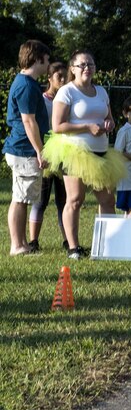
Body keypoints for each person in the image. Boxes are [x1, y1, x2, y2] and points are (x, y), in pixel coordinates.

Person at [43, 49, 126, 259]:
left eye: (90, 64)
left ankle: (109, 246)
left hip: (101, 153)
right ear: (73, 69)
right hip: (75, 153)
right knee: (75, 199)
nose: (87, 68)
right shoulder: (67, 92)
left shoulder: (101, 92)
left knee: (107, 200)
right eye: (82, 65)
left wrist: (109, 124)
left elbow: (110, 119)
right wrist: (87, 127)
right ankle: (74, 248)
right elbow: (58, 125)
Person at [4, 40, 51, 256]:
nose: (48, 64)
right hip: (24, 150)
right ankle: (17, 245)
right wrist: (40, 151)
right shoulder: (25, 85)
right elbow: (28, 121)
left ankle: (22, 243)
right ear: (37, 58)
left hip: (24, 149)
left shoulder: (27, 83)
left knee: (22, 197)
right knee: (20, 199)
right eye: (47, 59)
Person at [28, 60, 68, 252]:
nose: (62, 80)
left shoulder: (68, 98)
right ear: (49, 78)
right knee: (40, 199)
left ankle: (68, 239)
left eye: (65, 76)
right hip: (45, 153)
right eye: (59, 76)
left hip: (64, 155)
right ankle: (33, 241)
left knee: (64, 200)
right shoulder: (42, 100)